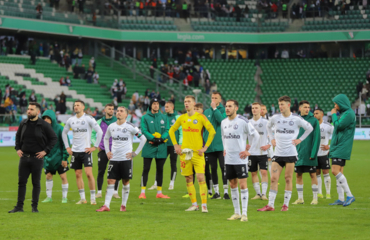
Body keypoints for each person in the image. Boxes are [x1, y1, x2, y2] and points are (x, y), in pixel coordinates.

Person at [258, 95, 313, 212]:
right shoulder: (275, 118)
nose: (280, 107)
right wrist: (271, 139)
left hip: (290, 153)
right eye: (279, 105)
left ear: (288, 105)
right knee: (273, 178)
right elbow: (268, 127)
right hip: (277, 153)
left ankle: (285, 205)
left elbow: (310, 128)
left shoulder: (296, 119)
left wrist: (300, 139)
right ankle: (270, 205)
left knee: (288, 178)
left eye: (282, 104)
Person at [169, 95, 216, 213]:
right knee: (188, 178)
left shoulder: (201, 117)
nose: (186, 103)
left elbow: (212, 131)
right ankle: (194, 204)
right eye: (185, 101)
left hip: (197, 153)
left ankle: (204, 205)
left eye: (189, 101)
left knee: (201, 177)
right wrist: (175, 145)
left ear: (194, 104)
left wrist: (205, 147)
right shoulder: (181, 118)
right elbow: (171, 130)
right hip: (185, 152)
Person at [9, 102, 57, 213]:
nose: (28, 111)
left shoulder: (44, 124)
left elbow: (53, 138)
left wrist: (45, 151)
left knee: (36, 183)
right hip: (24, 158)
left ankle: (34, 207)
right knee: (21, 183)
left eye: (31, 109)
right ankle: (19, 207)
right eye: (28, 109)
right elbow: (17, 136)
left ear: (38, 112)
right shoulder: (23, 123)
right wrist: (18, 148)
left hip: (37, 159)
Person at [96, 106, 147, 212]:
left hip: (126, 159)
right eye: (117, 111)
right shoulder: (111, 126)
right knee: (110, 180)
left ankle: (123, 205)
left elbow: (143, 138)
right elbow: (105, 138)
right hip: (114, 158)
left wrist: (135, 153)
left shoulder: (131, 127)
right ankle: (106, 205)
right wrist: (107, 152)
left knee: (125, 181)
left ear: (126, 115)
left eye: (121, 111)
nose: (118, 112)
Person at [222, 100, 259, 222]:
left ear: (236, 108)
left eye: (230, 106)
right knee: (232, 184)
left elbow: (256, 135)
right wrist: (224, 149)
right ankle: (236, 212)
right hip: (229, 159)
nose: (227, 108)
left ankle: (244, 214)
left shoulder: (243, 121)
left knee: (242, 185)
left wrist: (250, 151)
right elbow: (223, 137)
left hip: (240, 159)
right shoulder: (223, 122)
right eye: (226, 106)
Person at [62, 100, 103, 205]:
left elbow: (100, 131)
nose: (75, 107)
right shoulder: (71, 120)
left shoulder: (88, 118)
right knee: (77, 174)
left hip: (86, 151)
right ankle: (83, 199)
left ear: (83, 107)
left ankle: (93, 198)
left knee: (89, 174)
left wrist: (95, 147)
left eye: (78, 105)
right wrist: (67, 147)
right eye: (74, 105)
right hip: (75, 152)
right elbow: (64, 133)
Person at [139, 98, 171, 199]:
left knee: (160, 170)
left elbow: (167, 129)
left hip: (161, 147)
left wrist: (162, 138)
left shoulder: (164, 117)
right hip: (149, 146)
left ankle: (159, 193)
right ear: (151, 105)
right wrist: (153, 138)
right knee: (146, 169)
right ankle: (142, 192)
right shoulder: (145, 117)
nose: (156, 105)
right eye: (154, 104)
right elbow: (144, 130)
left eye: (157, 104)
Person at [328, 94, 356, 207]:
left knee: (335, 170)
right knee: (339, 172)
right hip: (339, 145)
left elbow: (338, 126)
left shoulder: (349, 113)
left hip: (341, 146)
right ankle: (340, 198)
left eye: (336, 104)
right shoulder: (346, 113)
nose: (335, 106)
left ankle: (349, 195)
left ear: (341, 103)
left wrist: (334, 115)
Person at [292, 100, 321, 205]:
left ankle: (315, 198)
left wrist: (313, 154)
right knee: (298, 175)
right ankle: (300, 199)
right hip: (297, 153)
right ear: (300, 108)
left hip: (309, 153)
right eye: (305, 107)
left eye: (308, 107)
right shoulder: (295, 119)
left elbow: (316, 138)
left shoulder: (313, 121)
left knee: (313, 174)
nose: (307, 109)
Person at [40, 110, 70, 204]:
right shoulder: (43, 130)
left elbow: (66, 144)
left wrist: (65, 158)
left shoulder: (60, 129)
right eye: (44, 118)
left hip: (59, 158)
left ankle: (64, 197)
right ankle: (49, 197)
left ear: (52, 119)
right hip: (48, 158)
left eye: (48, 118)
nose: (46, 120)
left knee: (63, 176)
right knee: (48, 176)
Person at [91, 104, 120, 199]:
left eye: (112, 109)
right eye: (109, 109)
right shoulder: (99, 122)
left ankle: (115, 192)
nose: (111, 110)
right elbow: (92, 134)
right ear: (105, 110)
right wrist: (97, 144)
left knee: (116, 172)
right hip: (103, 150)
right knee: (101, 171)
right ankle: (99, 192)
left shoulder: (117, 121)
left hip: (115, 151)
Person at [203, 92, 228, 200]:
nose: (213, 99)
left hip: (221, 145)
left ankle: (226, 192)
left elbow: (222, 121)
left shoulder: (223, 110)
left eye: (215, 98)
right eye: (212, 97)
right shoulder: (206, 111)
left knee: (223, 168)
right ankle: (216, 192)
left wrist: (215, 109)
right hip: (209, 146)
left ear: (220, 100)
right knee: (213, 168)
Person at [248, 103, 270, 201]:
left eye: (256, 108)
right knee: (253, 173)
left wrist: (268, 145)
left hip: (262, 152)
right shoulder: (248, 122)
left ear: (261, 110)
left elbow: (273, 135)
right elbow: (243, 135)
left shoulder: (266, 122)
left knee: (264, 172)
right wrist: (245, 144)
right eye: (253, 108)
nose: (254, 110)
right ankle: (258, 194)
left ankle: (264, 194)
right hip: (252, 152)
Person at [314, 108, 334, 199]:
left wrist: (329, 146)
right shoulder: (311, 126)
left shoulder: (328, 126)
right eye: (314, 113)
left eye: (317, 113)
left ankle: (328, 193)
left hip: (324, 154)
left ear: (322, 115)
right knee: (317, 173)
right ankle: (319, 193)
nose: (315, 115)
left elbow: (336, 136)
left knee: (326, 172)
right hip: (314, 154)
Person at [165, 101, 182, 190]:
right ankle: (156, 183)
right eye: (165, 106)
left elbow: (180, 131)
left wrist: (179, 144)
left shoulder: (178, 117)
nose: (165, 108)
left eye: (167, 107)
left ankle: (172, 183)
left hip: (174, 145)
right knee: (160, 164)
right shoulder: (163, 117)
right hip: (164, 144)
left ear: (172, 107)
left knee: (173, 164)